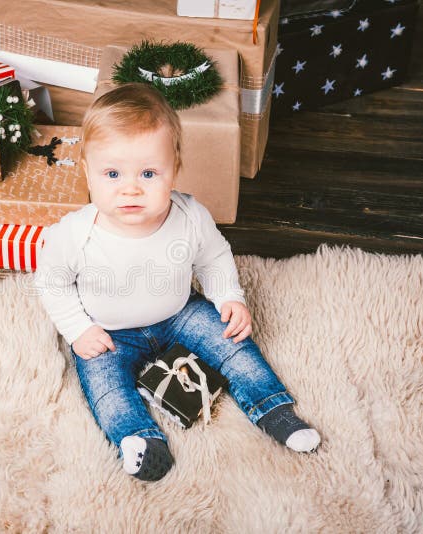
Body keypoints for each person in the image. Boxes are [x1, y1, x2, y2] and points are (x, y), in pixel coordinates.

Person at [33, 83, 320, 482]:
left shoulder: (190, 216)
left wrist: (228, 297)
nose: (130, 187)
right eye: (112, 173)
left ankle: (273, 408)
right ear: (88, 172)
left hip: (178, 312)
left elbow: (214, 258)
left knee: (231, 342)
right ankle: (138, 439)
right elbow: (52, 283)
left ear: (175, 169)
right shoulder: (74, 234)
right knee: (104, 383)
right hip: (110, 330)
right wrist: (79, 329)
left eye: (149, 173)